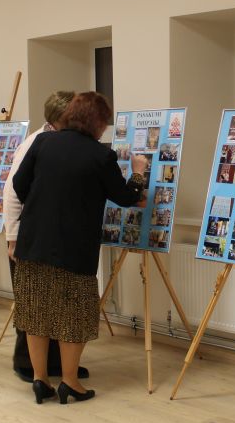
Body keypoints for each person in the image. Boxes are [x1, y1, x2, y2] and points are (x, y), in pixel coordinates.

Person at [11, 91, 147, 404]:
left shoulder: (42, 143)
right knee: (73, 315)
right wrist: (138, 171)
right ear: (97, 122)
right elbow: (126, 197)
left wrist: (44, 202)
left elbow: (19, 185)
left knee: (36, 312)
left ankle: (40, 379)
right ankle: (70, 382)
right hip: (74, 249)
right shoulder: (100, 155)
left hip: (34, 243)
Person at [2, 90, 88, 384]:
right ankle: (26, 363)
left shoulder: (58, 141)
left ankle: (54, 365)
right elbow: (12, 194)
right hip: (27, 237)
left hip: (46, 236)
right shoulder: (34, 143)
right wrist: (13, 238)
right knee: (32, 304)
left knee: (53, 303)